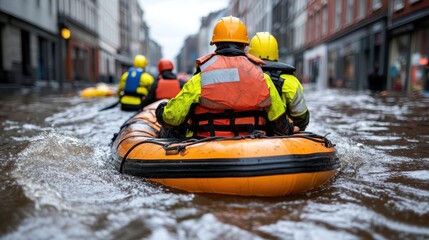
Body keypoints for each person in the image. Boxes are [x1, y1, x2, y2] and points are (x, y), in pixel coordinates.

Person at [155, 16, 294, 138]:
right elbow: (280, 123)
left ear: (215, 44)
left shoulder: (201, 77)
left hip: (208, 145)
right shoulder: (262, 77)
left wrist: (161, 111)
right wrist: (291, 129)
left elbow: (173, 118)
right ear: (245, 45)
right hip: (254, 145)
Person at [248, 32, 310, 131]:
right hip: (281, 134)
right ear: (276, 53)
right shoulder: (291, 81)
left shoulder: (245, 77)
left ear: (250, 53)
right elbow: (301, 118)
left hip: (250, 132)